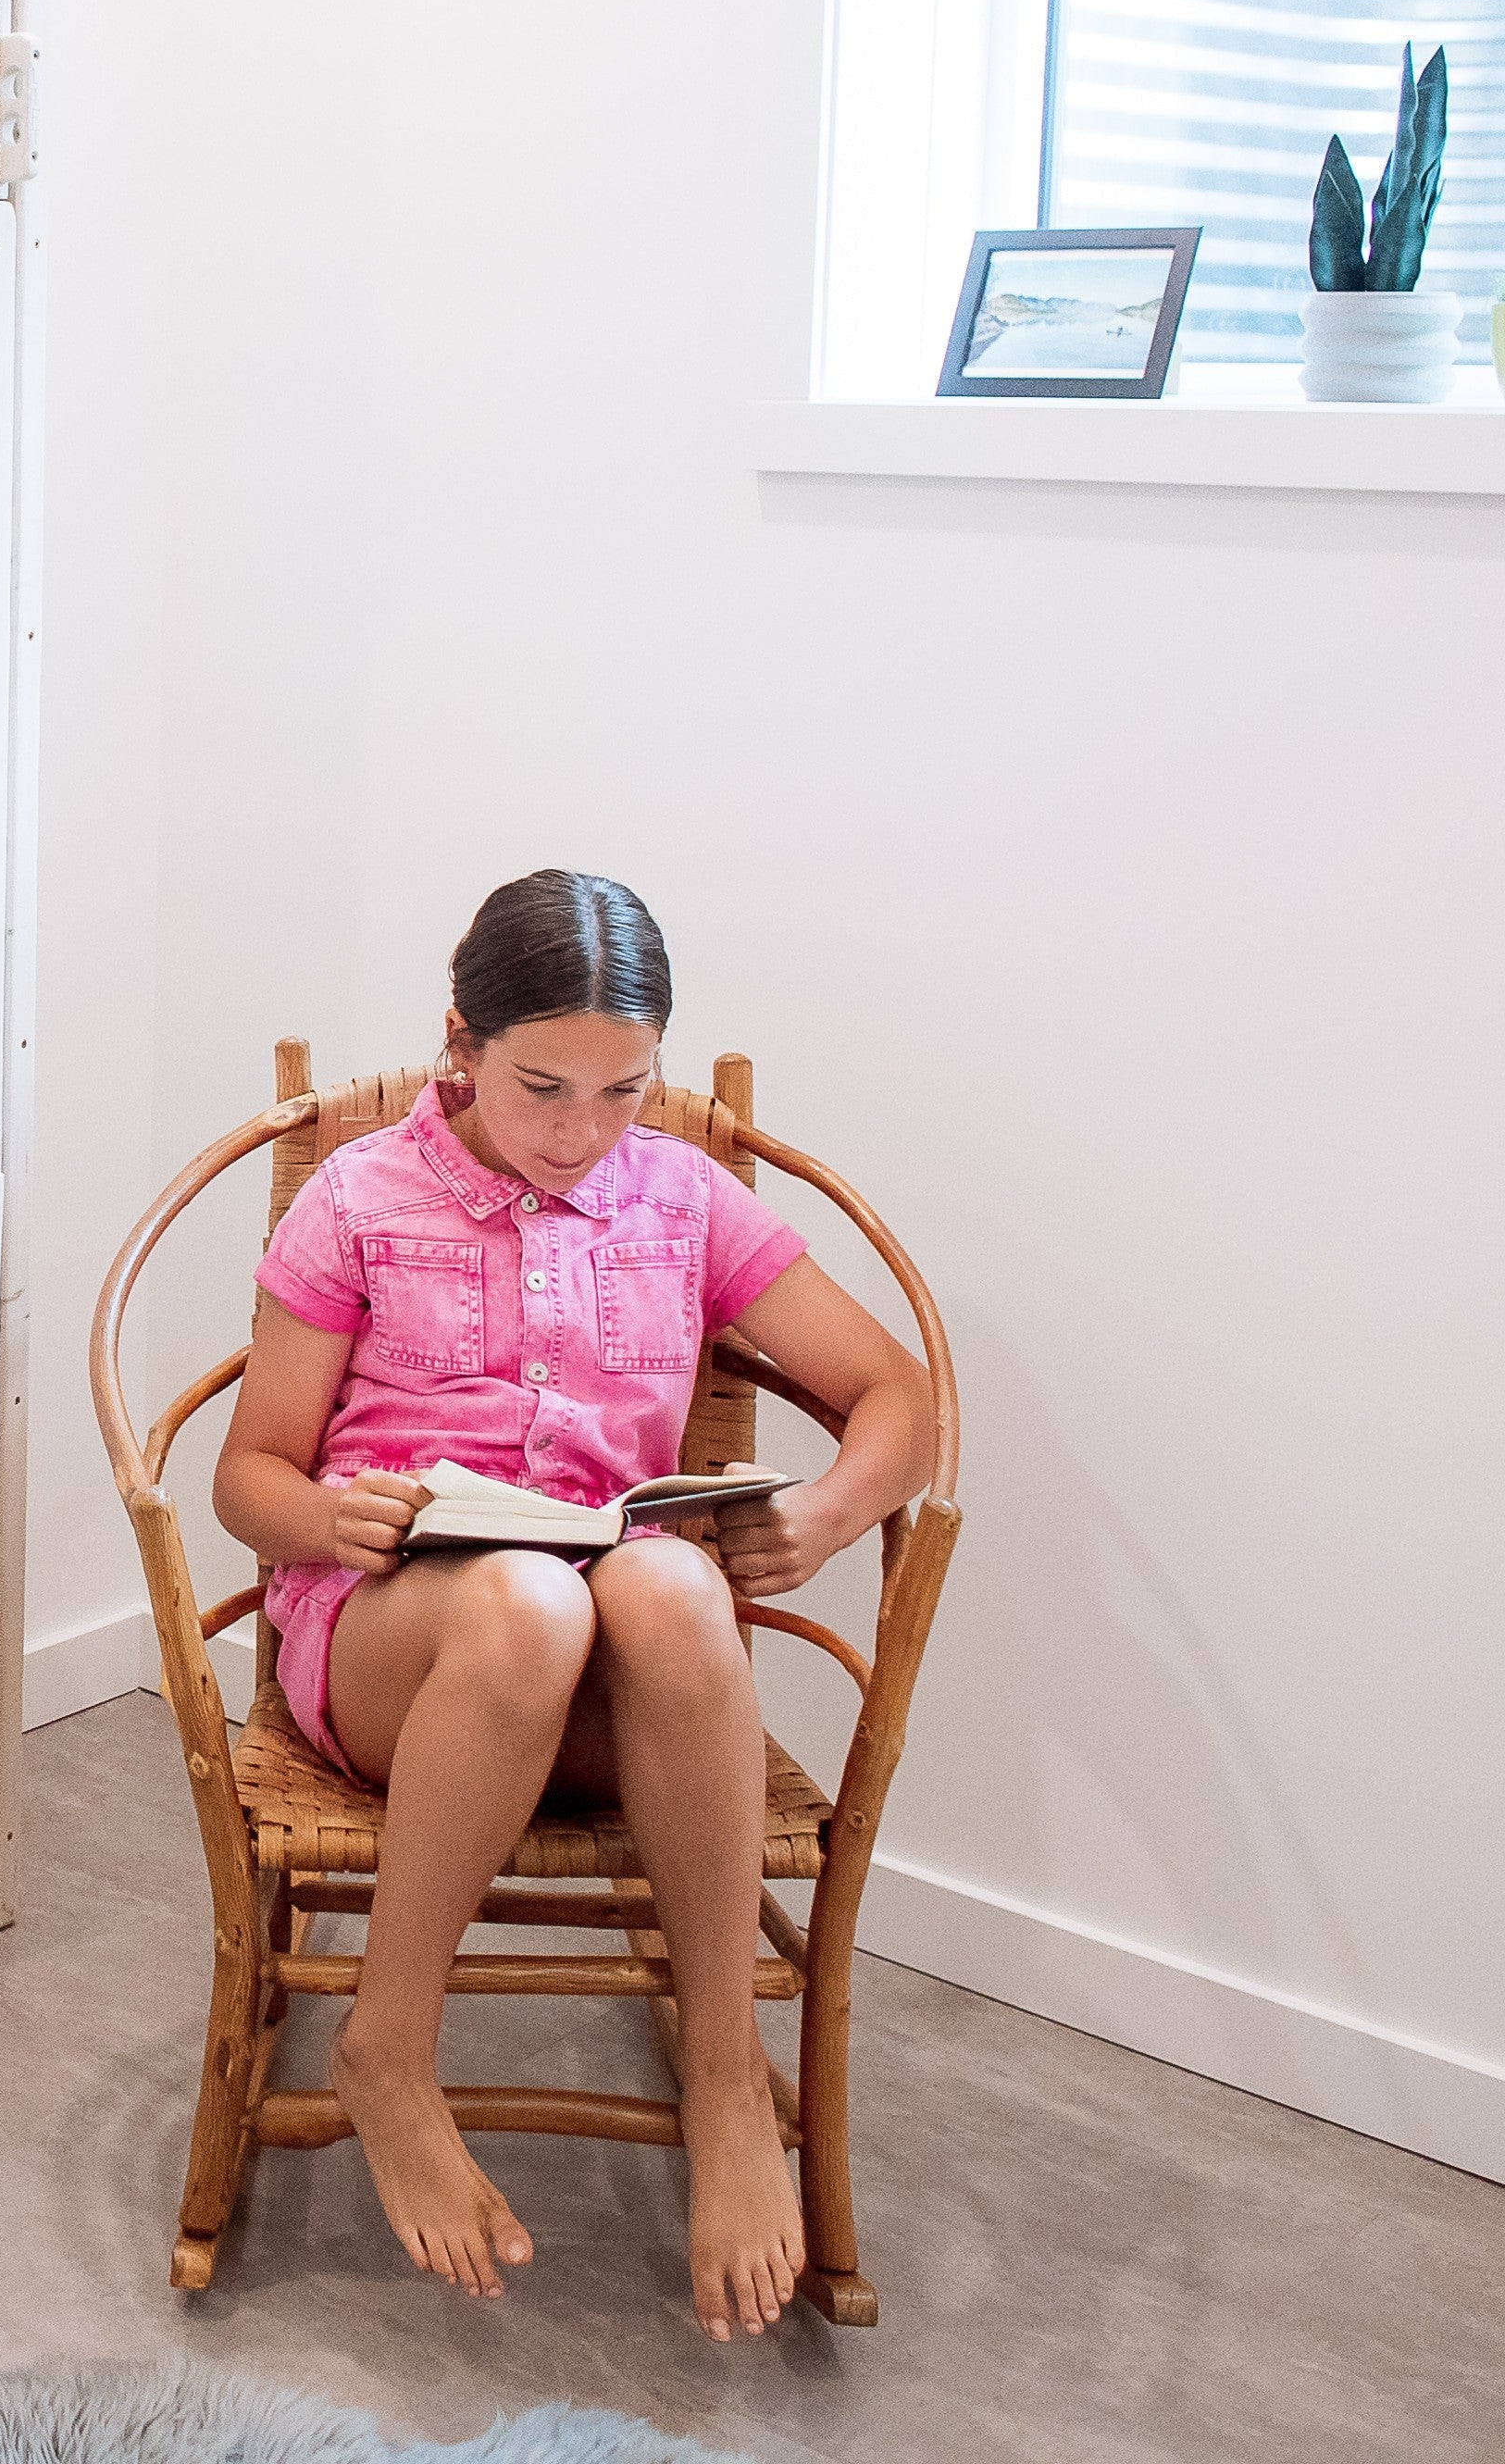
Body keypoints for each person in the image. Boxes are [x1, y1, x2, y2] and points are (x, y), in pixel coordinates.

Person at [210, 870, 935, 2340]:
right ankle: (387, 2051)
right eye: (542, 1086)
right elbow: (247, 1479)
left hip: (612, 1692)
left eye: (624, 1090)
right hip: (395, 1662)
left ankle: (727, 2076)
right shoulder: (358, 1198)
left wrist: (821, 1515)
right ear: (457, 1048)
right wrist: (329, 1519)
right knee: (527, 1605)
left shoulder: (678, 1195)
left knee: (664, 1580)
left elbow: (896, 1395)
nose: (582, 1129)